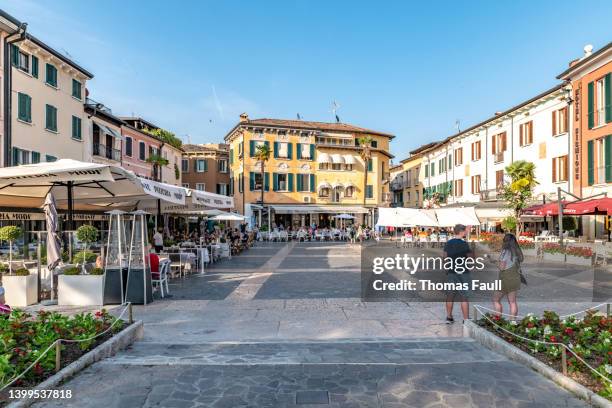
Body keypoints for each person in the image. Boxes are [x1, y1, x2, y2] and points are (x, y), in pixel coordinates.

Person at [442, 224, 473, 324]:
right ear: (461, 232)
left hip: (451, 271)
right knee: (464, 296)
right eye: (465, 231)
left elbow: (445, 257)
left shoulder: (449, 242)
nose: (465, 232)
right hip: (463, 272)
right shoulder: (464, 244)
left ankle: (449, 317)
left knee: (450, 295)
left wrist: (447, 267)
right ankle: (465, 319)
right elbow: (470, 257)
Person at [493, 233, 524, 318]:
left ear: (505, 241)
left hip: (505, 279)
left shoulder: (506, 252)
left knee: (496, 300)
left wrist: (494, 262)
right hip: (515, 279)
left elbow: (502, 267)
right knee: (512, 302)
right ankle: (512, 322)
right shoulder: (517, 251)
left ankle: (497, 320)